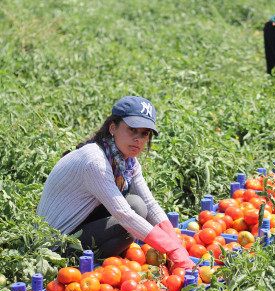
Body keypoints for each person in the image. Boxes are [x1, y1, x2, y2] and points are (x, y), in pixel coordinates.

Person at [37, 96, 195, 270]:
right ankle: (86, 265)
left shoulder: (127, 162)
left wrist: (175, 242)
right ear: (113, 127)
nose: (139, 139)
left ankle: (104, 258)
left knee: (138, 205)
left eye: (145, 133)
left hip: (79, 225)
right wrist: (172, 249)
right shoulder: (95, 160)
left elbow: (150, 204)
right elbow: (124, 214)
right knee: (127, 229)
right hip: (53, 245)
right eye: (132, 129)